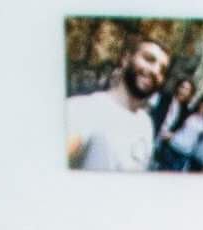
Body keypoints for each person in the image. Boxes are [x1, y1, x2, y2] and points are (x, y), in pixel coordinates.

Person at [65, 36, 166, 173]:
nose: (155, 71)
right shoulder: (86, 108)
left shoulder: (146, 123)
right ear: (125, 59)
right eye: (149, 59)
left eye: (162, 69)